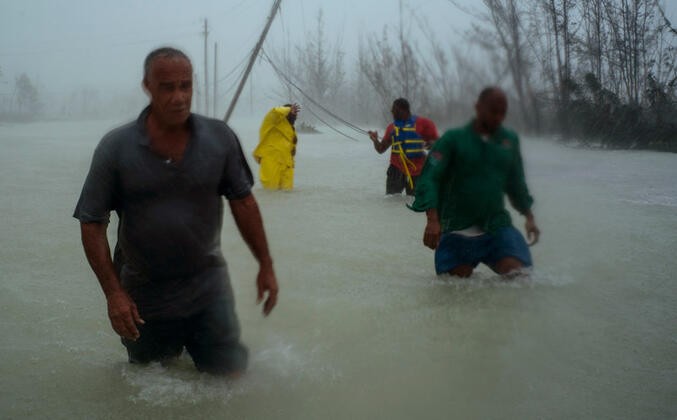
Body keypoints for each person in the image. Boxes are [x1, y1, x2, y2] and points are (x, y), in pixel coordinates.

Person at [73, 47, 278, 375]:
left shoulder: (219, 138)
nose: (179, 96)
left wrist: (265, 264)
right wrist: (114, 294)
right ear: (147, 87)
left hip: (209, 289)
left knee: (230, 383)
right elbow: (91, 222)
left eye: (186, 86)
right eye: (167, 87)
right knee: (152, 388)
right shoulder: (116, 148)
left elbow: (244, 202)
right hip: (144, 298)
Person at [409, 87, 540, 277]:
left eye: (503, 113)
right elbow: (430, 178)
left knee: (521, 278)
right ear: (478, 108)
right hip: (457, 230)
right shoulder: (452, 140)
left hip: (496, 227)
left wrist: (529, 217)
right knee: (456, 291)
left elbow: (516, 183)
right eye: (493, 111)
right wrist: (433, 220)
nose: (498, 117)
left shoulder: (508, 141)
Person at [368, 98, 439, 195]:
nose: (392, 112)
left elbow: (440, 144)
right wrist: (375, 140)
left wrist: (431, 144)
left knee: (416, 204)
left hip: (418, 171)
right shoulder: (391, 128)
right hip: (396, 170)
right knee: (391, 202)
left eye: (394, 110)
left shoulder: (424, 124)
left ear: (404, 110)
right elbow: (381, 149)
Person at [253, 103, 301, 190]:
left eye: (295, 115)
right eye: (293, 114)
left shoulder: (291, 129)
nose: (295, 117)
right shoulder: (272, 122)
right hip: (271, 162)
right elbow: (274, 112)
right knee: (270, 192)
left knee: (287, 193)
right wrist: (288, 110)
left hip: (287, 164)